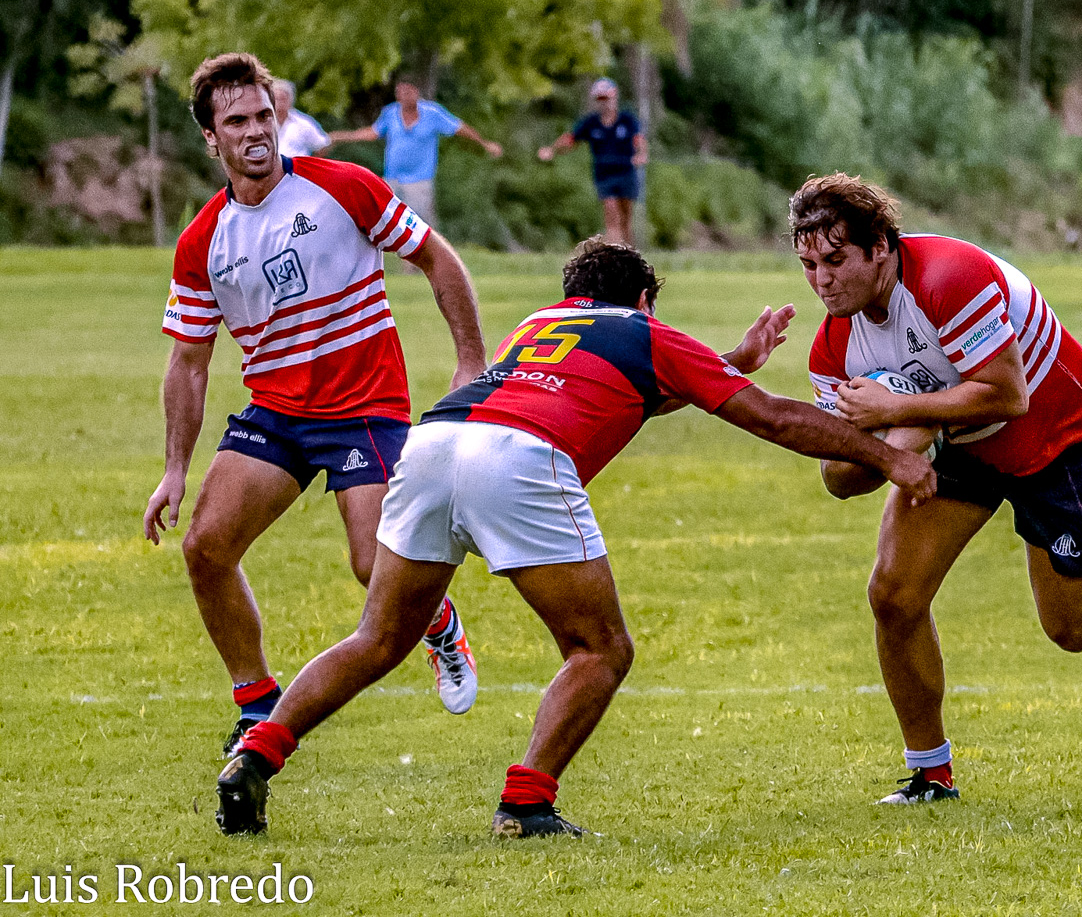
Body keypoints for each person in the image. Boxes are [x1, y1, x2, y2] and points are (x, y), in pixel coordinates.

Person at [214, 238, 938, 838]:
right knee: (601, 648)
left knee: (376, 638)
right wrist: (891, 457)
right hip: (518, 459)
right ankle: (526, 802)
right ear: (645, 300)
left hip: (433, 443)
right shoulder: (647, 332)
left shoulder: (537, 324)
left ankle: (256, 754)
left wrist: (730, 364)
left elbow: (611, 395)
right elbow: (774, 419)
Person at [143, 53, 489, 759]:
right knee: (206, 547)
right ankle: (257, 704)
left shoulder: (343, 187)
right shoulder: (202, 242)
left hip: (364, 407)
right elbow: (188, 360)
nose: (255, 131)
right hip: (276, 413)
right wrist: (175, 468)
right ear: (212, 138)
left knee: (376, 566)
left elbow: (437, 259)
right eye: (236, 121)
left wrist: (470, 361)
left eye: (263, 115)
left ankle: (440, 625)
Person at [789, 173, 1082, 804]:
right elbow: (838, 478)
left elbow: (1008, 395)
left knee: (1071, 631)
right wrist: (886, 439)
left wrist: (898, 411)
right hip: (962, 442)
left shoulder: (947, 278)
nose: (821, 280)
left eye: (835, 260)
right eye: (807, 264)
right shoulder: (835, 345)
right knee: (893, 595)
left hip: (1057, 434)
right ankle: (931, 774)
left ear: (880, 246)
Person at [328, 78, 502, 226]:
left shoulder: (432, 114)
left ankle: (418, 264)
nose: (403, 96)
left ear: (416, 92)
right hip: (393, 178)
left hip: (419, 181)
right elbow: (372, 133)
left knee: (416, 225)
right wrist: (339, 137)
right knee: (384, 221)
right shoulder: (390, 113)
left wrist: (484, 144)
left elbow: (459, 128)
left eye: (407, 91)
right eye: (399, 92)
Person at [538, 78, 648, 247]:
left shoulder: (627, 120)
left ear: (614, 97)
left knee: (625, 217)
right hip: (604, 173)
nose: (604, 103)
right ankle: (614, 250)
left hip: (626, 171)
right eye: (600, 99)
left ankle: (630, 253)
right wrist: (551, 150)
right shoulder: (591, 123)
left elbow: (639, 140)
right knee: (611, 212)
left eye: (606, 98)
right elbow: (571, 139)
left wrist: (641, 155)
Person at [271, 80, 330, 159]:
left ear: (290, 100)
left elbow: (321, 146)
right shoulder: (263, 123)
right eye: (276, 99)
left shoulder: (303, 123)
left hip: (297, 168)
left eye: (282, 99)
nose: (279, 103)